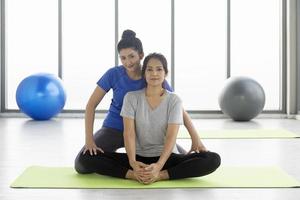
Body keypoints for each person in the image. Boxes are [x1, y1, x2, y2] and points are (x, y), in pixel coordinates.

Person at [75, 30, 207, 174]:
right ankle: (128, 166)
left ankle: (141, 165)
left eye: (131, 56)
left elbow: (178, 108)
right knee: (82, 165)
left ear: (141, 55)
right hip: (114, 129)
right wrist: (89, 140)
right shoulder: (113, 74)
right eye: (123, 58)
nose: (128, 62)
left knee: (182, 160)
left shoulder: (153, 76)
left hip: (146, 134)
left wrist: (196, 139)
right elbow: (91, 105)